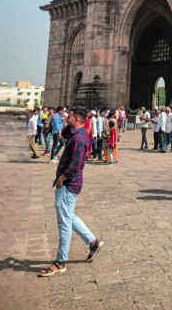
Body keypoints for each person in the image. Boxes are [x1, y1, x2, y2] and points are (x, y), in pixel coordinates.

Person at [38, 107, 104, 277]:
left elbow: (75, 165)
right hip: (70, 184)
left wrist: (61, 179)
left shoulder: (79, 139)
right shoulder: (76, 135)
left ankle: (61, 261)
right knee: (69, 216)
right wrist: (75, 122)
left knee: (64, 223)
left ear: (76, 119)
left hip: (68, 184)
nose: (66, 118)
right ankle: (93, 242)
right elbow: (64, 134)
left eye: (70, 117)